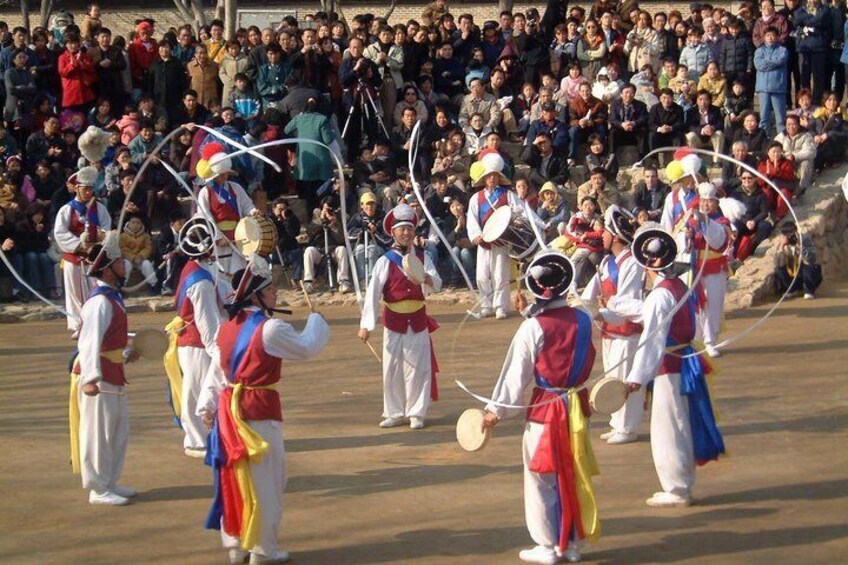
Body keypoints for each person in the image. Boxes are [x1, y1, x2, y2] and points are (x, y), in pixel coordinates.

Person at [200, 255, 329, 565]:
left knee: (235, 478)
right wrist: (317, 321)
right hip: (257, 414)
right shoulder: (270, 329)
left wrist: (206, 404)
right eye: (270, 290)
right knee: (266, 480)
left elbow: (218, 371)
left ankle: (236, 545)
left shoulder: (226, 328)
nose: (275, 294)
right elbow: (307, 347)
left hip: (228, 414)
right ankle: (263, 549)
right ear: (256, 295)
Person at [482, 251, 599, 564]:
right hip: (576, 405)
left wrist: (497, 410)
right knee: (571, 473)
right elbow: (563, 339)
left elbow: (515, 375)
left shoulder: (532, 328)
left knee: (540, 477)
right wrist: (530, 314)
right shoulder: (584, 318)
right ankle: (571, 542)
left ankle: (548, 545)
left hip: (547, 408)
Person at [624, 224, 725, 508]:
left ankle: (677, 487)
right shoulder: (677, 286)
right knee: (679, 423)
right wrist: (610, 310)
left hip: (669, 365)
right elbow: (648, 315)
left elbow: (652, 338)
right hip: (681, 361)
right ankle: (681, 482)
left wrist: (636, 378)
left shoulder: (659, 295)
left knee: (669, 427)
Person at [69, 231, 139, 506]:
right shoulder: (99, 302)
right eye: (120, 262)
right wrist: (89, 379)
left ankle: (109, 481)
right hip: (99, 375)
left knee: (116, 431)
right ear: (108, 269)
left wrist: (125, 354)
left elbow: (108, 339)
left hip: (112, 370)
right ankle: (98, 488)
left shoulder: (111, 297)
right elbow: (88, 343)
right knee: (98, 433)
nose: (125, 266)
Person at [358, 203, 442, 429]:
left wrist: (426, 279)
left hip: (417, 318)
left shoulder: (423, 258)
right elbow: (373, 293)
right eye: (401, 229)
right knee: (391, 367)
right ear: (393, 232)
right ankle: (393, 412)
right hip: (394, 320)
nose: (406, 233)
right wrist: (367, 325)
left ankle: (417, 412)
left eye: (409, 229)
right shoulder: (385, 261)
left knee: (418, 367)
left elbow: (438, 283)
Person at [162, 216, 232, 457]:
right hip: (197, 343)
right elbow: (207, 323)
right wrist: (219, 353)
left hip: (192, 340)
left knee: (196, 389)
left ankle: (201, 436)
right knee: (198, 391)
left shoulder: (195, 269)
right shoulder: (199, 281)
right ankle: (197, 439)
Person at [582, 205, 645, 445]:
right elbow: (590, 294)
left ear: (616, 236)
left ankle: (628, 427)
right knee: (612, 377)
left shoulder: (632, 263)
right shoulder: (607, 261)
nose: (602, 236)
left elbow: (628, 302)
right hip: (609, 331)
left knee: (625, 378)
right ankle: (616, 423)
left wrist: (603, 312)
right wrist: (581, 304)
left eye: (605, 233)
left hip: (626, 332)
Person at [466, 154, 527, 319]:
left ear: (499, 177)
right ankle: (486, 304)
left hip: (501, 240)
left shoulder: (507, 195)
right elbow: (472, 219)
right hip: (484, 241)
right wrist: (476, 235)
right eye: (489, 175)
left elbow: (521, 211)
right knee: (482, 275)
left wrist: (518, 221)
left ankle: (500, 306)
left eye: (495, 176)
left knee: (500, 274)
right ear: (484, 178)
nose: (492, 178)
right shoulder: (475, 198)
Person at [53, 167, 110, 337]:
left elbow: (107, 227)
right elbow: (60, 233)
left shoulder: (99, 209)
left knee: (96, 292)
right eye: (85, 188)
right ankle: (79, 325)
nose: (88, 192)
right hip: (74, 257)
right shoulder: (66, 210)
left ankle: (96, 323)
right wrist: (80, 244)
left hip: (94, 258)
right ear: (76, 188)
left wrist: (102, 235)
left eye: (90, 189)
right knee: (74, 294)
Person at [195, 142, 260, 274]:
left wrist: (253, 211)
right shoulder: (205, 192)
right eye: (220, 174)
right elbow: (205, 216)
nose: (224, 176)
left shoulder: (236, 187)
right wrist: (217, 237)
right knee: (222, 273)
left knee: (240, 271)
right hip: (219, 236)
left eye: (225, 173)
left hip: (239, 234)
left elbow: (246, 204)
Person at [686, 184, 732, 358]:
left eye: (710, 201)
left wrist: (705, 222)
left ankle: (710, 340)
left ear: (716, 203)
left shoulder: (722, 221)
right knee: (696, 305)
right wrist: (687, 234)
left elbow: (718, 240)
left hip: (713, 268)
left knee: (712, 304)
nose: (705, 204)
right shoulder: (691, 219)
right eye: (703, 200)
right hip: (694, 268)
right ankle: (696, 339)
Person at [774, 221, 822, 299]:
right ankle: (792, 289)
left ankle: (809, 290)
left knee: (808, 266)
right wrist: (781, 247)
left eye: (791, 234)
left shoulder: (805, 239)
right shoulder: (783, 243)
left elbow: (811, 259)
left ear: (796, 231)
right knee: (779, 268)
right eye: (787, 235)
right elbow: (777, 263)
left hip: (806, 271)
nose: (790, 237)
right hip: (793, 272)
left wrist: (800, 246)